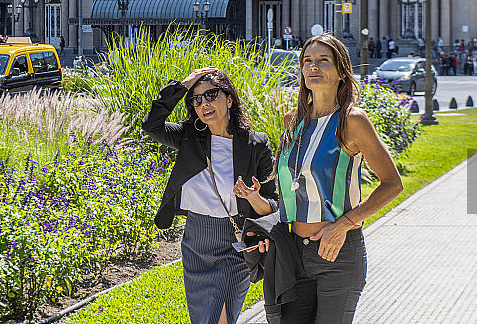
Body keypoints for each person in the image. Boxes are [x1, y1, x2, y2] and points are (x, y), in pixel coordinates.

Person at [257, 33, 403, 323]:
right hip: (293, 253)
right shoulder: (292, 120)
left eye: (324, 60)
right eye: (308, 60)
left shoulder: (352, 120)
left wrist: (343, 226)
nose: (314, 66)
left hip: (337, 252)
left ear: (341, 72)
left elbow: (392, 183)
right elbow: (292, 187)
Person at [142, 67, 278, 324]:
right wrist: (184, 84)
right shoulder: (188, 137)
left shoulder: (254, 145)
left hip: (234, 246)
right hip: (195, 243)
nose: (203, 103)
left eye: (211, 95)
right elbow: (151, 124)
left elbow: (273, 206)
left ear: (229, 99)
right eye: (197, 99)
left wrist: (252, 198)